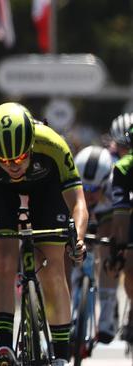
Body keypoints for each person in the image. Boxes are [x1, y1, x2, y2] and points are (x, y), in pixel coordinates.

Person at [0, 102, 87, 366]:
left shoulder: (53, 144)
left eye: (19, 157)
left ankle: (61, 357)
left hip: (47, 186)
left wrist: (78, 238)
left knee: (53, 266)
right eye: (4, 160)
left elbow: (78, 202)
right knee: (3, 259)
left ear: (31, 145)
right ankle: (5, 348)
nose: (13, 165)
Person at [73, 145, 118, 344]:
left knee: (107, 250)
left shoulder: (115, 185)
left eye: (94, 189)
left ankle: (107, 316)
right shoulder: (72, 180)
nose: (89, 193)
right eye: (85, 187)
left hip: (107, 216)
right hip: (78, 214)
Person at [109, 122, 133, 345]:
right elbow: (121, 212)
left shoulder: (123, 165)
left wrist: (119, 248)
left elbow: (120, 215)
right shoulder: (125, 167)